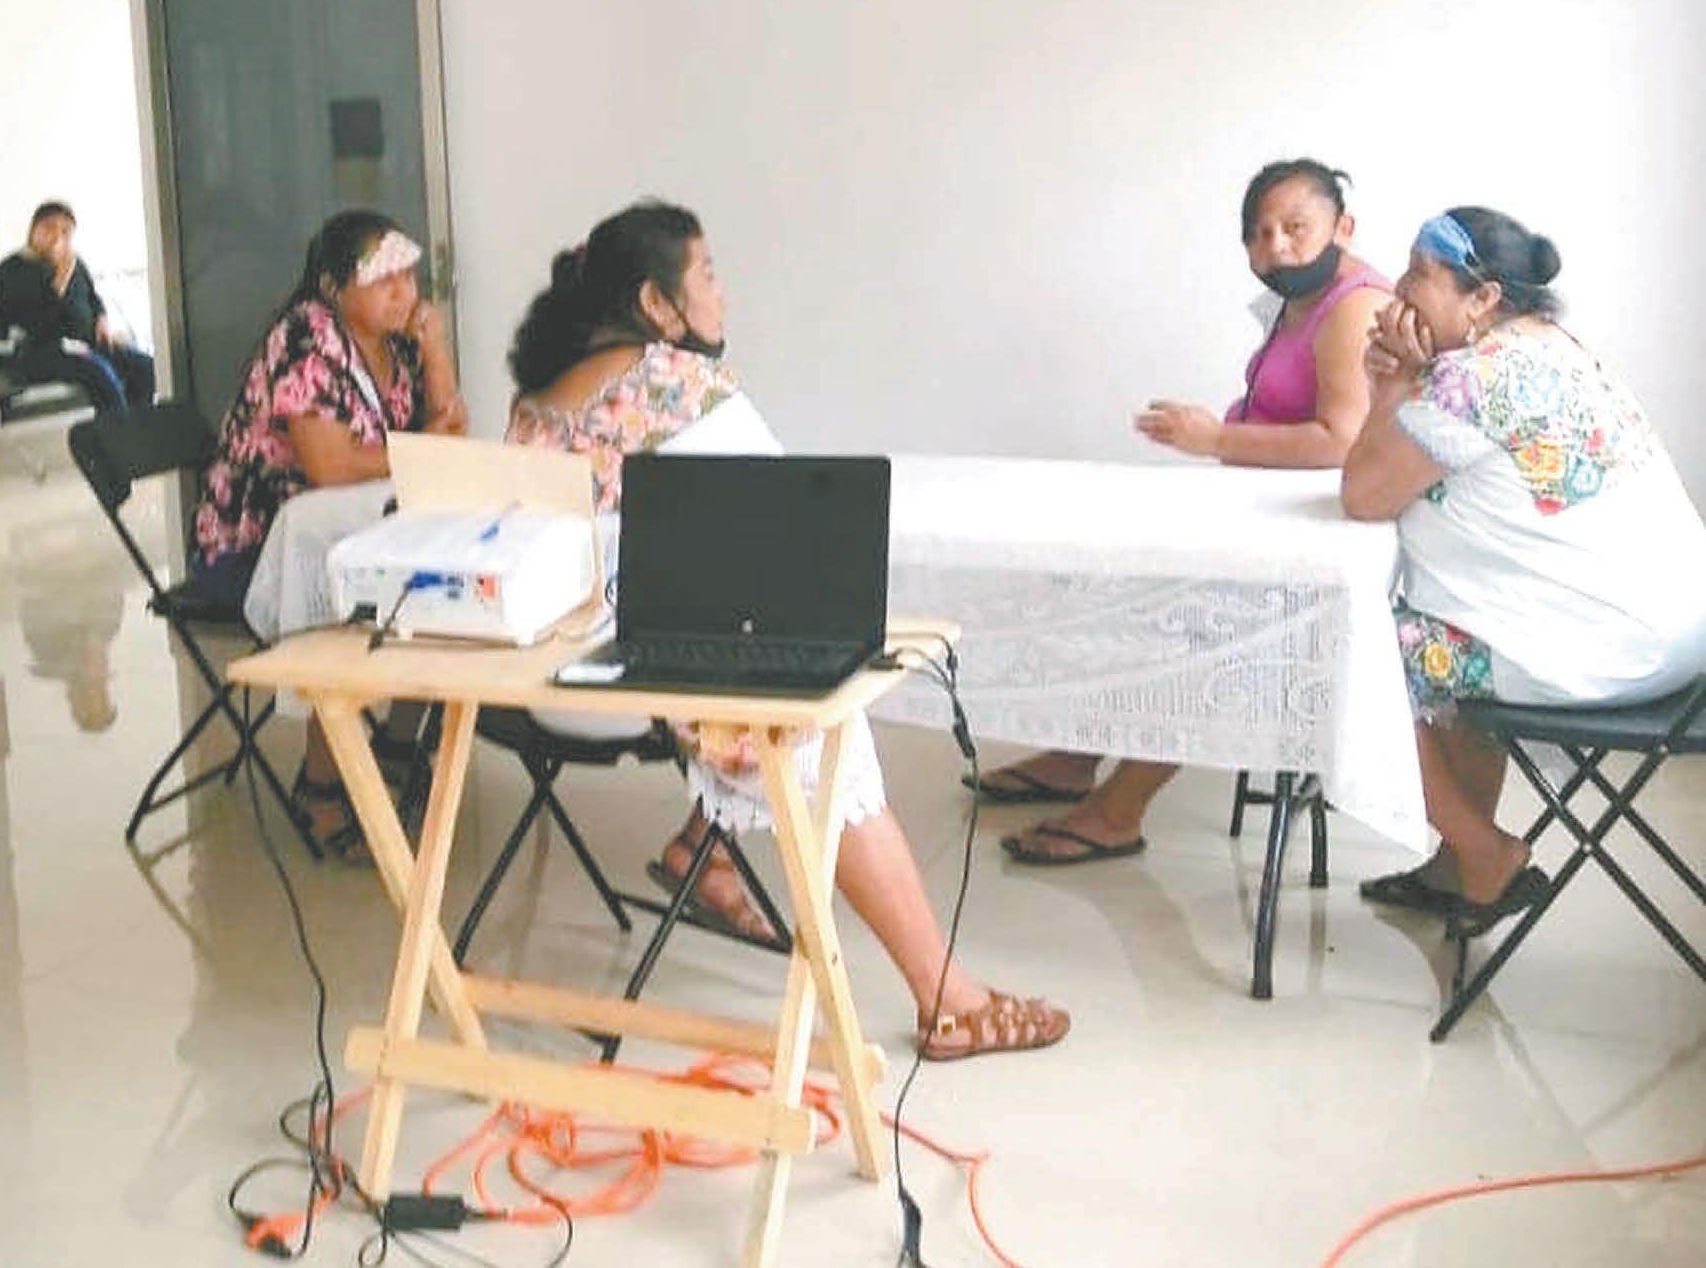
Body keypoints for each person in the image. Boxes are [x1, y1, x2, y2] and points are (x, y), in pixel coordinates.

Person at [505, 200, 1068, 1058]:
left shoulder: (537, 399)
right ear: (656, 303)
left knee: (737, 640)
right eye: (707, 273)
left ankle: (703, 852)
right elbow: (790, 524)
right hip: (643, 682)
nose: (721, 292)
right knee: (822, 723)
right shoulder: (676, 382)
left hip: (541, 681)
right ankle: (946, 998)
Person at [989, 159, 1391, 865]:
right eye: (1259, 234)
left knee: (1202, 627)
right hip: (1270, 513)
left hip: (1322, 543)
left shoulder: (1354, 307)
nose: (1275, 247)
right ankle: (1078, 755)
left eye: (1295, 228)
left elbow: (1341, 443)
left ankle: (1118, 810)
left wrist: (1215, 439)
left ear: (1343, 227)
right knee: (1137, 590)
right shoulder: (1299, 298)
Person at [1343, 208, 1706, 927]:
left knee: (1348, 644)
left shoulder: (1470, 381)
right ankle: (1456, 870)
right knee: (1445, 628)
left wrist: (1390, 387)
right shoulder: (1556, 347)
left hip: (1605, 654)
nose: (1399, 289)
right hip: (1683, 649)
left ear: (1483, 298)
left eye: (1419, 274)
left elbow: (1363, 496)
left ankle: (1483, 853)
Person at [191, 209, 467, 850]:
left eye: (408, 277)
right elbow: (330, 467)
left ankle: (394, 745)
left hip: (356, 524)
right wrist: (422, 448)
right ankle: (320, 784)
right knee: (357, 593)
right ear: (334, 288)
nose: (404, 293)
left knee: (439, 581)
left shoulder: (395, 338)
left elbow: (450, 432)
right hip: (257, 544)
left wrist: (436, 350)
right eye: (384, 280)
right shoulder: (304, 339)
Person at [0, 199, 155, 414]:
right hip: (37, 352)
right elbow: (36, 325)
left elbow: (93, 297)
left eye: (65, 232)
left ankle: (136, 424)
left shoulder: (75, 263)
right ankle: (116, 431)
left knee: (145, 367)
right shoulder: (12, 270)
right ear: (33, 231)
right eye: (49, 228)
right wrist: (60, 279)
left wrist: (102, 319)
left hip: (85, 343)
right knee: (101, 373)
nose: (57, 237)